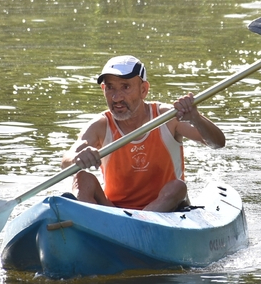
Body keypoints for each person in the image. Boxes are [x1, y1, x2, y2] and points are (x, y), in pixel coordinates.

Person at [60, 55, 225, 212]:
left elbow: (217, 143)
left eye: (125, 87)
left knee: (177, 187)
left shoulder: (167, 117)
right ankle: (90, 226)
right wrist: (77, 158)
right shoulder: (100, 125)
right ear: (103, 89)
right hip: (114, 213)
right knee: (82, 178)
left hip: (168, 211)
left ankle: (140, 224)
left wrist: (196, 118)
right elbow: (66, 160)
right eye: (110, 88)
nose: (116, 97)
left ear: (143, 90)